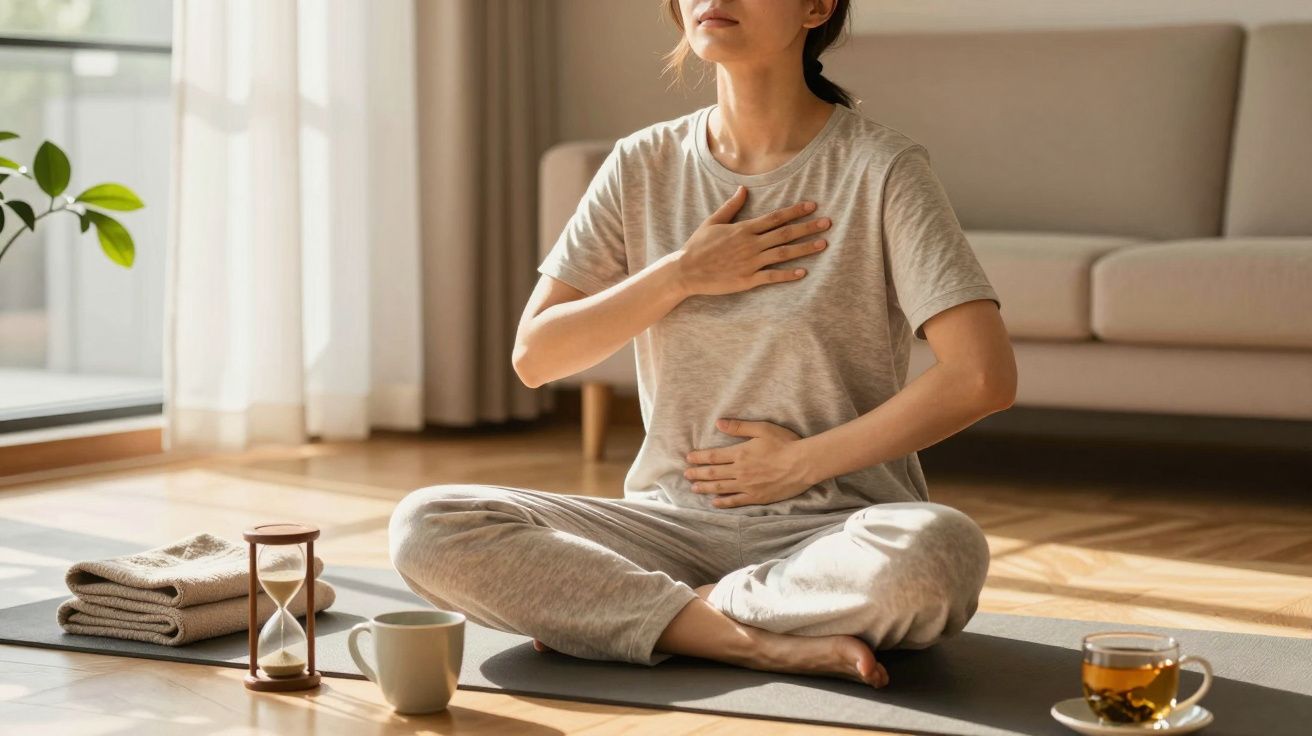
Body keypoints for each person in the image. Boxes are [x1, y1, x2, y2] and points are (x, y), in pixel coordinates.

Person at [389, 0, 1016, 689]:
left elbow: (981, 376)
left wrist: (800, 463)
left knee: (939, 553)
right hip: (666, 530)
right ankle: (750, 640)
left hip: (834, 534)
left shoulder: (882, 168)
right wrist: (680, 274)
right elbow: (536, 357)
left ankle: (654, 615)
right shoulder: (641, 164)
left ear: (816, 6)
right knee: (427, 525)